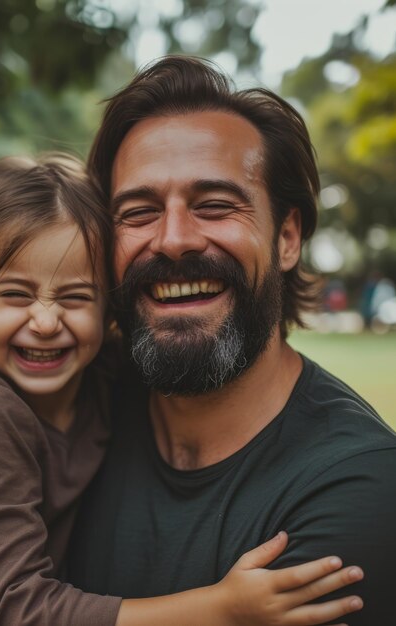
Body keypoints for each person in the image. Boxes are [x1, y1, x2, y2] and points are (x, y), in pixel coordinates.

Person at [0, 154, 362, 626]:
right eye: (15, 295)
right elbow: (11, 610)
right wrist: (219, 611)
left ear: (108, 308)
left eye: (75, 297)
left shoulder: (104, 374)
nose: (44, 322)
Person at [66, 56, 396, 625]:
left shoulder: (359, 485)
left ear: (287, 237)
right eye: (138, 212)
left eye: (215, 206)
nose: (172, 241)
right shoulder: (71, 409)